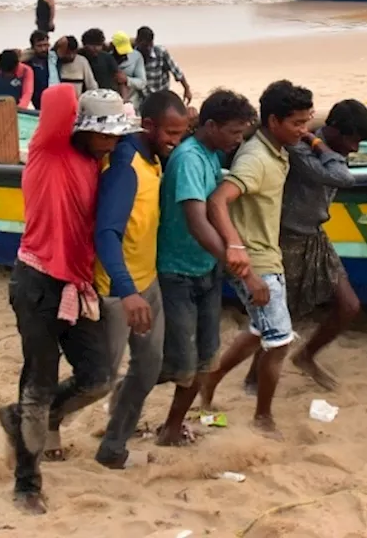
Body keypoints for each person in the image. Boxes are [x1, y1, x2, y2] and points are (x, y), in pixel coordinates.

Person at [0, 84, 139, 515]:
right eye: (104, 133)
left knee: (97, 377)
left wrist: (120, 113)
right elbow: (57, 95)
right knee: (37, 385)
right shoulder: (49, 149)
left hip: (76, 286)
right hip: (37, 282)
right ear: (81, 127)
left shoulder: (98, 161)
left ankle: (20, 420)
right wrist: (93, 89)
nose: (112, 141)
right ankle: (27, 484)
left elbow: (131, 143)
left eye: (117, 134)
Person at [200, 80, 314, 438]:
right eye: (297, 123)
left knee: (256, 331)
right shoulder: (256, 158)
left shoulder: (274, 149)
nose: (304, 130)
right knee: (279, 341)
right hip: (257, 261)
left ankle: (210, 381)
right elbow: (218, 200)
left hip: (267, 254)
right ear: (274, 121)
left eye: (307, 122)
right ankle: (262, 417)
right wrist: (236, 250)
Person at [89, 89, 191, 469]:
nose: (176, 142)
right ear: (147, 125)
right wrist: (128, 292)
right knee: (98, 379)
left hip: (149, 284)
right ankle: (45, 423)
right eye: (170, 134)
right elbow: (106, 234)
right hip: (119, 293)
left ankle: (113, 447)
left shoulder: (155, 159)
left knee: (148, 368)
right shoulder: (125, 167)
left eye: (181, 134)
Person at [155, 90, 257, 448]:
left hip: (205, 271)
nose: (238, 140)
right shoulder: (188, 159)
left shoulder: (213, 155)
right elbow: (197, 220)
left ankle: (171, 427)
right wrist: (235, 264)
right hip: (178, 271)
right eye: (233, 132)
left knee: (204, 357)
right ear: (210, 126)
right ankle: (125, 403)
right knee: (179, 364)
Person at [272, 99, 367, 390]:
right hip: (287, 236)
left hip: (315, 234)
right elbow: (343, 177)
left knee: (349, 306)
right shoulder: (301, 150)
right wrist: (319, 146)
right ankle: (255, 377)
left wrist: (322, 146)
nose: (354, 148)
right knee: (282, 316)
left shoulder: (324, 148)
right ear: (333, 129)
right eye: (351, 140)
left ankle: (306, 356)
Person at [135, 26, 193, 104]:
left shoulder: (161, 52)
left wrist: (187, 89)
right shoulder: (133, 55)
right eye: (144, 46)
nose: (147, 48)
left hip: (160, 96)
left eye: (149, 45)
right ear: (138, 42)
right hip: (141, 99)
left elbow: (176, 72)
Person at [110, 31, 147, 109]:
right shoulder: (107, 58)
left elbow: (142, 82)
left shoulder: (137, 57)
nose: (124, 55)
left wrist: (127, 79)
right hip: (112, 103)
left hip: (132, 103)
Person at [79, 28, 122, 93]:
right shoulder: (79, 58)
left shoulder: (107, 57)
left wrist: (125, 99)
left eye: (99, 45)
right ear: (84, 44)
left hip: (107, 95)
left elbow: (121, 80)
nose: (96, 48)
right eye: (92, 45)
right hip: (86, 97)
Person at [25, 31, 57, 110]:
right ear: (33, 47)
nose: (43, 49)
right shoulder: (28, 61)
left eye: (45, 45)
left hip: (55, 97)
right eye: (39, 46)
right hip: (38, 101)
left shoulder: (53, 58)